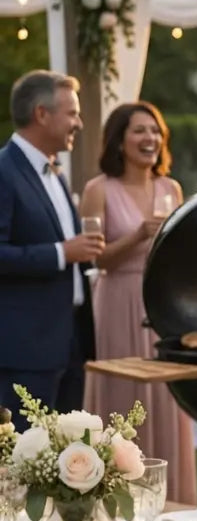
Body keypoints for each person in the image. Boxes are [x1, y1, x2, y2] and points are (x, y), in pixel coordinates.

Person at [80, 102, 196, 505]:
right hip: (118, 299)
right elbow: (97, 259)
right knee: (122, 394)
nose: (150, 138)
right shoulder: (98, 190)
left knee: (165, 397)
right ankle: (117, 498)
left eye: (155, 131)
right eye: (139, 131)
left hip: (162, 302)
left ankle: (172, 499)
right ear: (119, 140)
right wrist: (138, 235)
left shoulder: (171, 189)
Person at [0, 70, 103, 427]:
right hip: (25, 351)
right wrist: (62, 253)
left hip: (69, 343)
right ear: (42, 114)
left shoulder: (54, 171)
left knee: (68, 452)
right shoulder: (4, 171)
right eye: (72, 113)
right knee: (23, 454)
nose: (79, 123)